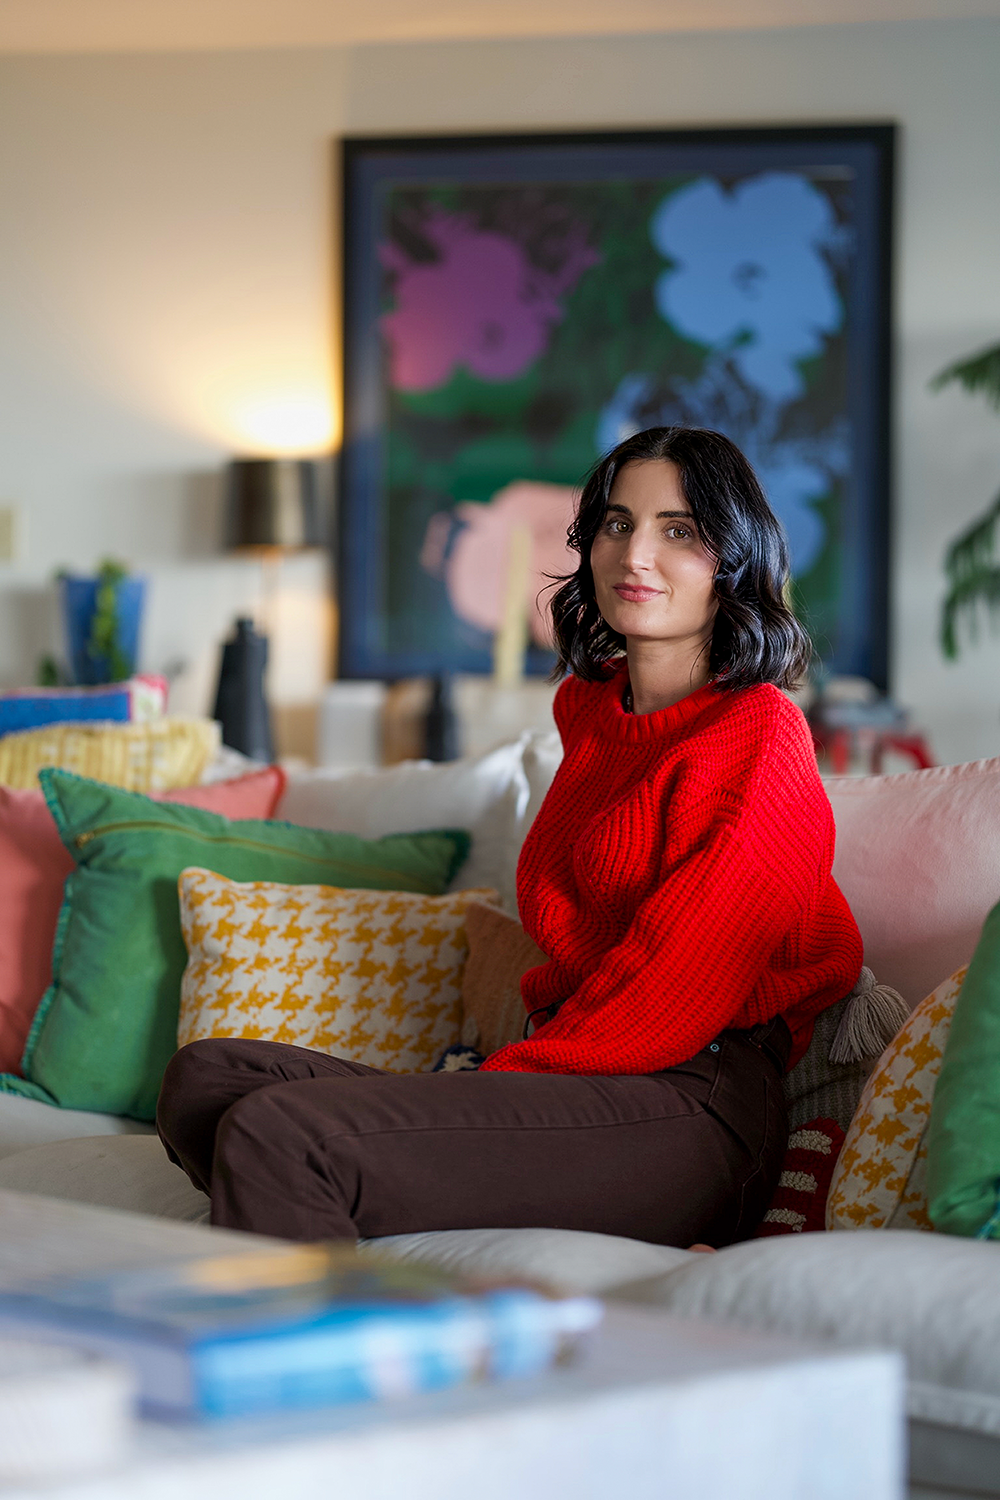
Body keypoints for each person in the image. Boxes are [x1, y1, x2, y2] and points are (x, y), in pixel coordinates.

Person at [157, 426, 862, 1249]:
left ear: (733, 559)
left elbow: (670, 996)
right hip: (583, 1076)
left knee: (282, 1132)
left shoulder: (757, 732)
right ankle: (349, 1233)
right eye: (616, 523)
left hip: (688, 1100)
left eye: (680, 531)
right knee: (206, 1079)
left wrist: (492, 1086)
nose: (635, 554)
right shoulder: (592, 715)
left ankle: (344, 1359)